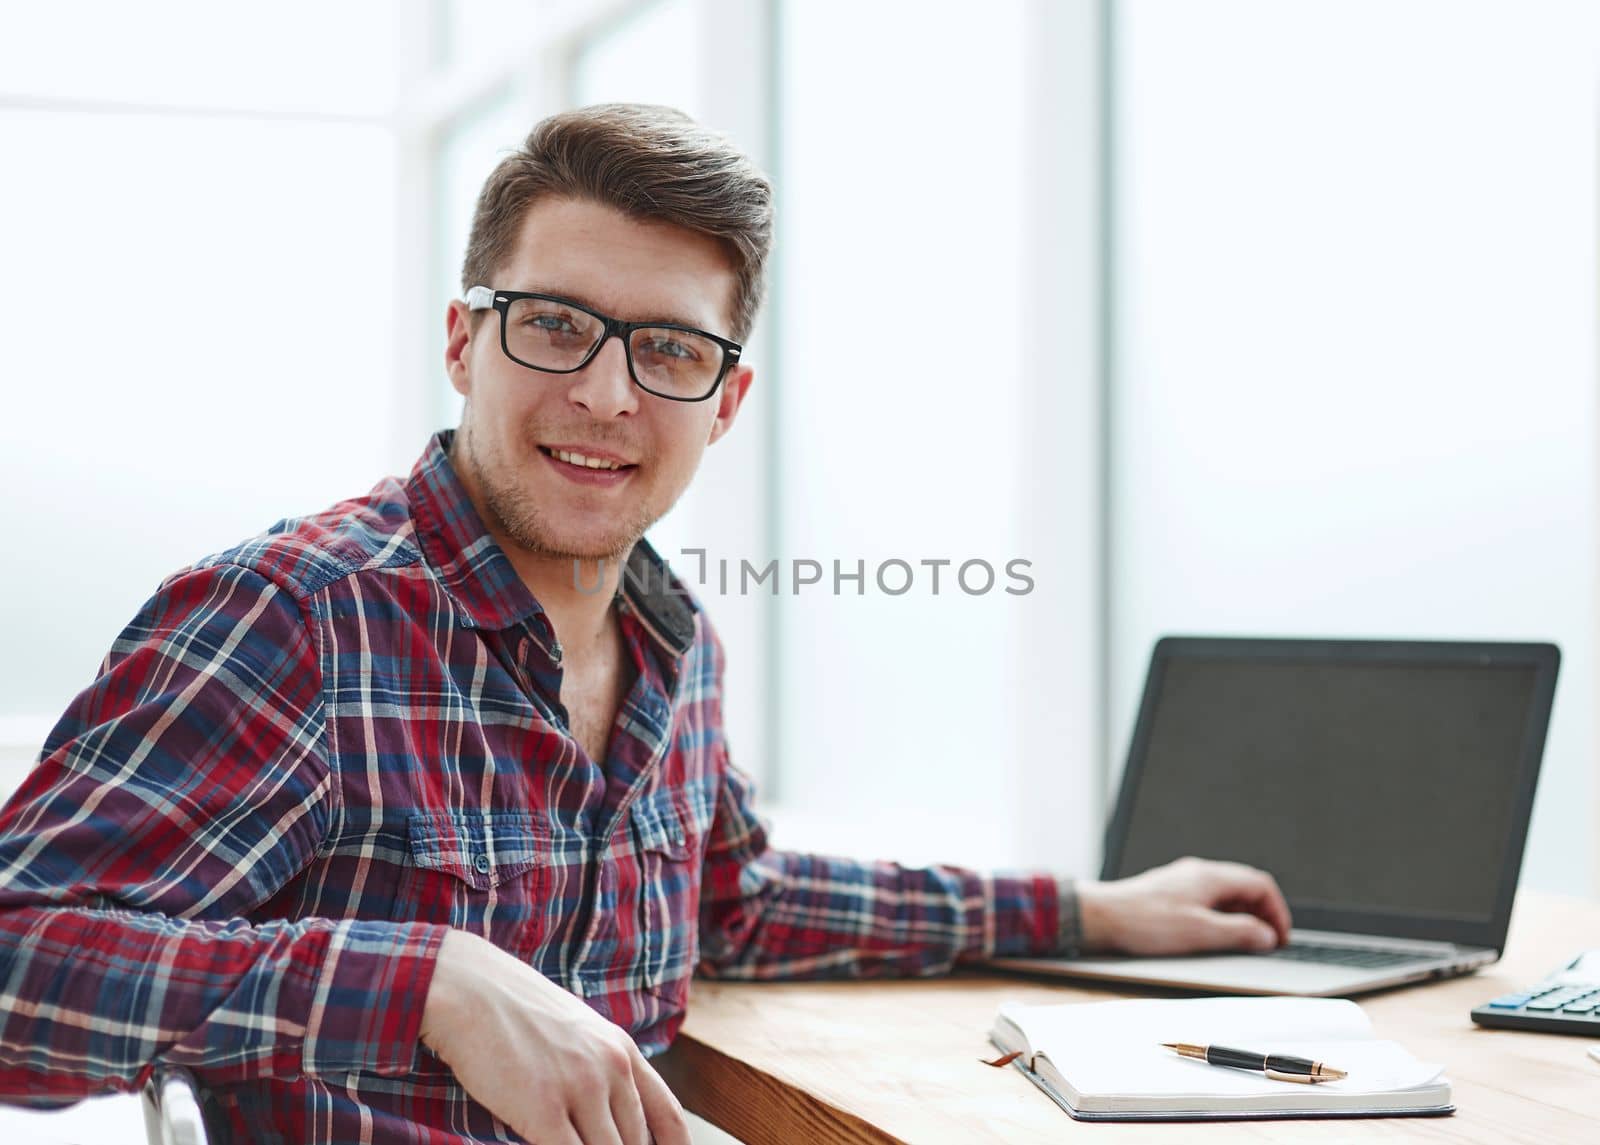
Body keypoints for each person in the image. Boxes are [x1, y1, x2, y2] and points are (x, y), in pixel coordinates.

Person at [0, 104, 1291, 1144]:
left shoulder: (673, 641)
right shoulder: (297, 617)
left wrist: (1088, 909)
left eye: (668, 349)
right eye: (555, 325)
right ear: (466, 341)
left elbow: (735, 904)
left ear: (723, 401)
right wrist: (431, 980)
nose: (607, 393)